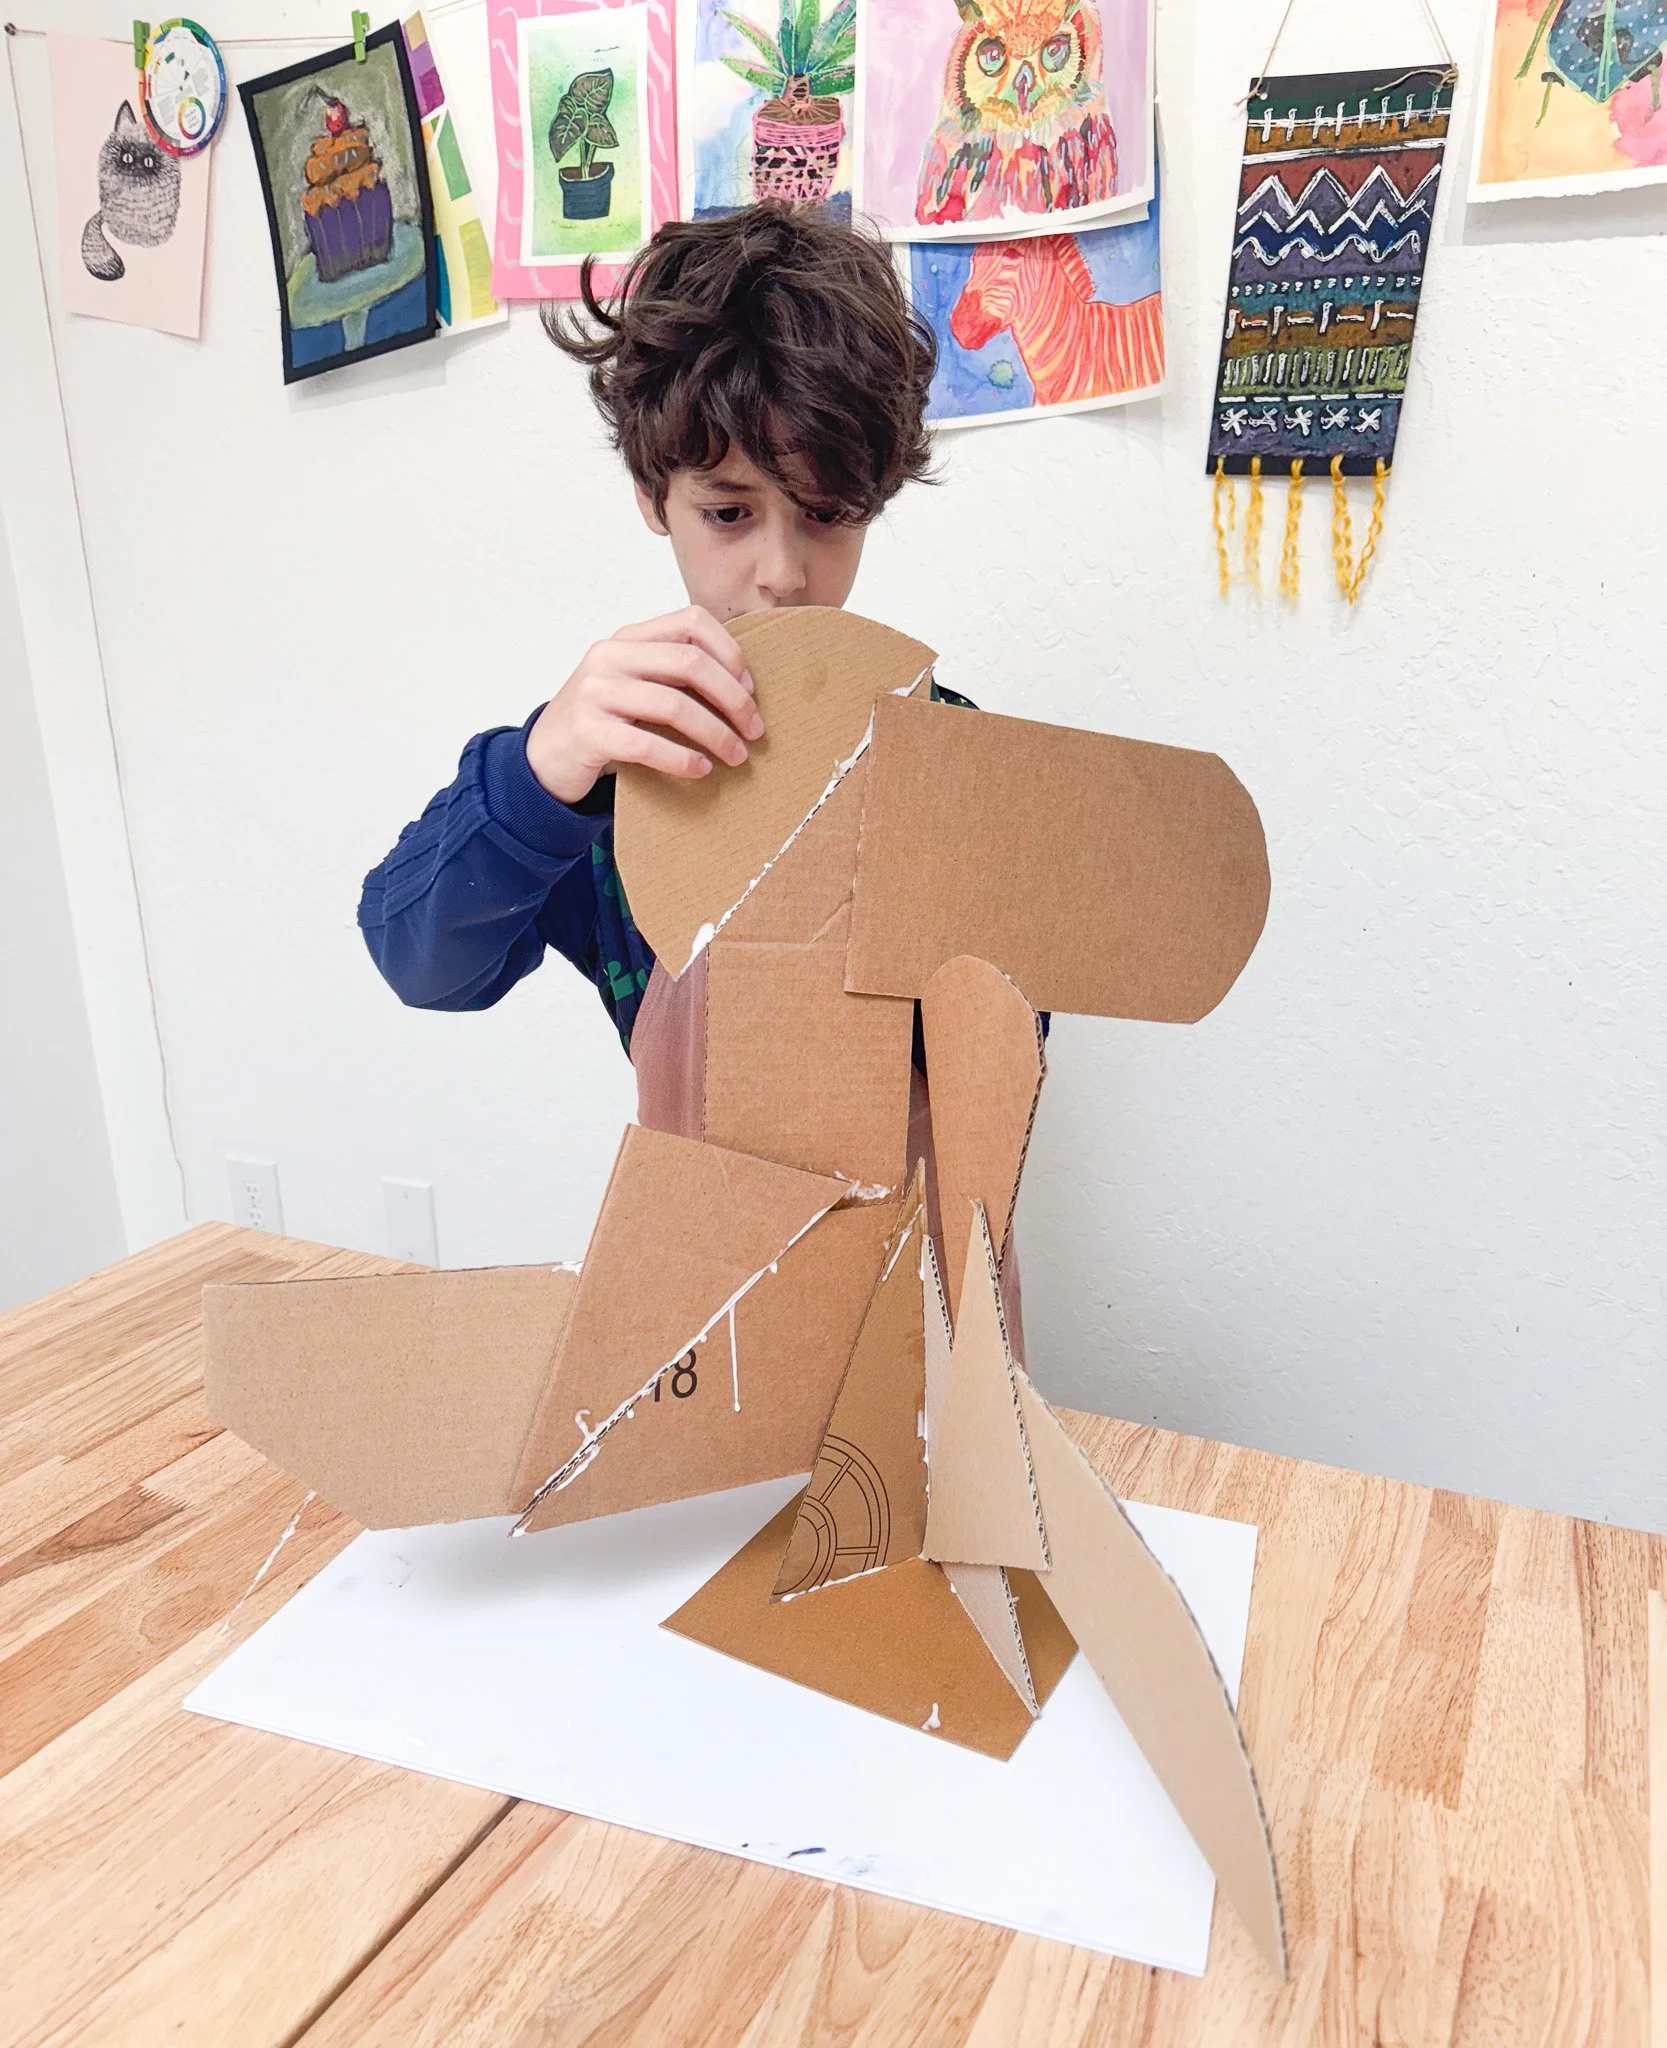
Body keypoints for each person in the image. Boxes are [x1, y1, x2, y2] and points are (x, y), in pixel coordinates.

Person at [357, 205, 938, 1055]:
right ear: (652, 498)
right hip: (689, 1181)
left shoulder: (938, 744)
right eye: (729, 512)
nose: (780, 571)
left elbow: (1007, 1030)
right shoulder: (621, 757)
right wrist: (538, 775)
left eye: (825, 513)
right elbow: (425, 966)